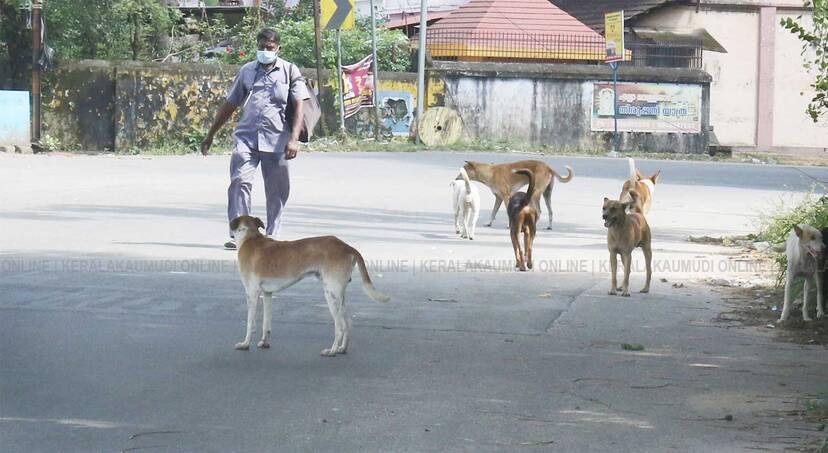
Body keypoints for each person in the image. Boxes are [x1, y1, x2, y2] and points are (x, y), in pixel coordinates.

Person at [201, 28, 309, 249]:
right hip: (247, 138)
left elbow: (300, 106)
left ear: (278, 48)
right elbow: (230, 104)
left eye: (270, 48)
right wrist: (211, 134)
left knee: (277, 190)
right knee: (239, 181)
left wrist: (294, 139)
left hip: (277, 139)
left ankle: (272, 234)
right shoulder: (247, 71)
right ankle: (241, 234)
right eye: (262, 47)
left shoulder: (290, 71)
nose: (265, 51)